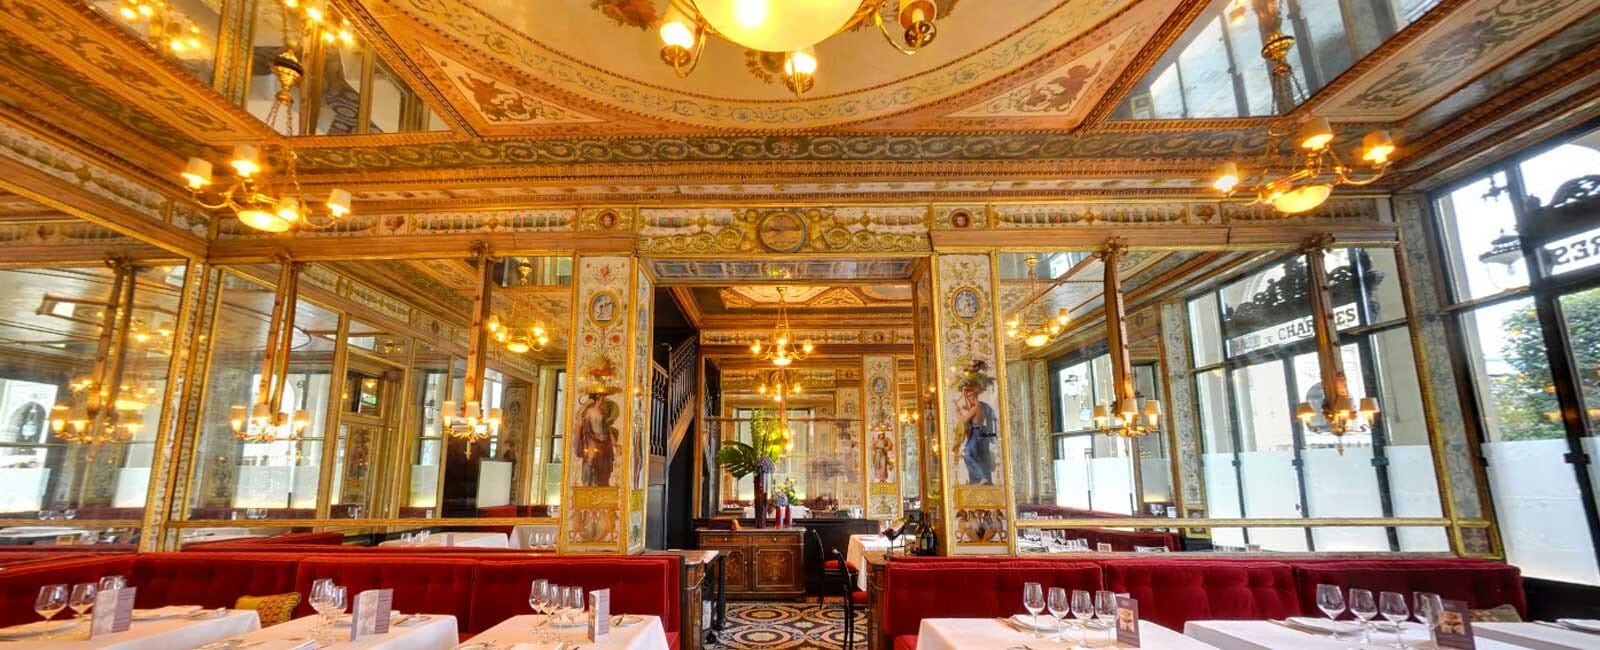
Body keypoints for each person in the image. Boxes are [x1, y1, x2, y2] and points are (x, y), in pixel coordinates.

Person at [951, 359, 998, 485]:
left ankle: (982, 477)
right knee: (980, 458)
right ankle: (978, 480)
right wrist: (967, 409)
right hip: (980, 434)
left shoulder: (976, 406)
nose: (968, 400)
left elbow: (964, 421)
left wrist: (957, 410)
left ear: (972, 396)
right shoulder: (981, 406)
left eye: (968, 397)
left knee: (967, 455)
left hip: (976, 434)